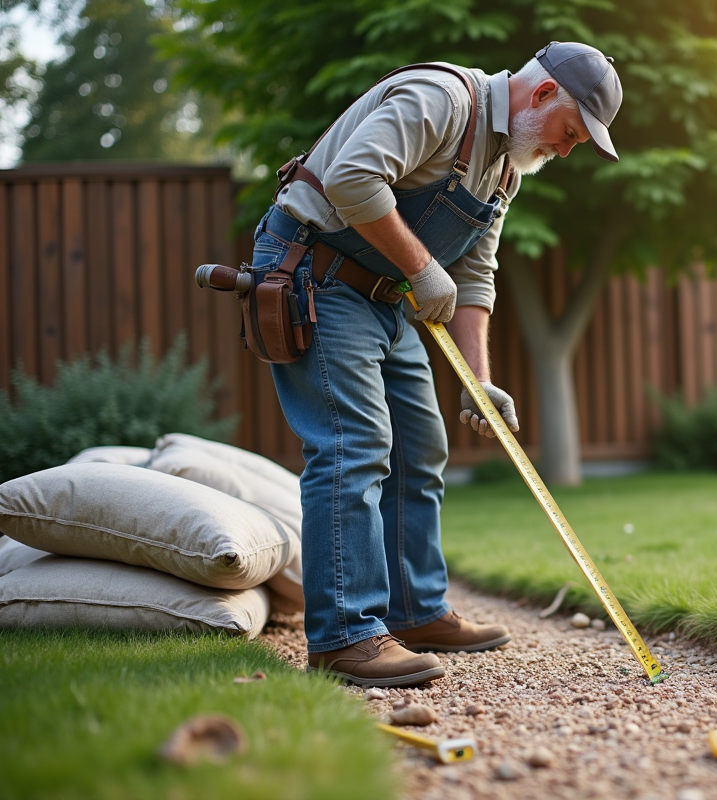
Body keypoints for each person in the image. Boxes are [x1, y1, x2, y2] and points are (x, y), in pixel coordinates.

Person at [248, 42, 623, 687]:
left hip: (384, 295)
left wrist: (478, 382)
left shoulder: (505, 169)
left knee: (422, 445)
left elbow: (475, 277)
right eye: (570, 133)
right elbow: (352, 178)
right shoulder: (443, 102)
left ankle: (414, 612)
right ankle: (345, 636)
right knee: (354, 443)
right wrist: (423, 269)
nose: (567, 150)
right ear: (540, 96)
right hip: (315, 272)